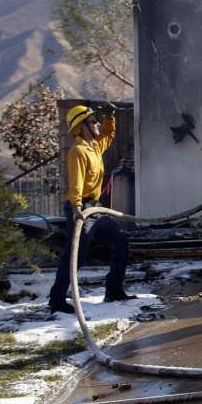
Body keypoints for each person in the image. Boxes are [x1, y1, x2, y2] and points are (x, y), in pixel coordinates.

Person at [48, 104, 132, 315]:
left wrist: (110, 117)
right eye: (93, 120)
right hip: (81, 208)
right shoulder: (78, 151)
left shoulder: (95, 147)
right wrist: (77, 207)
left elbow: (109, 134)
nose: (96, 123)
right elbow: (75, 183)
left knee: (120, 241)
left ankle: (113, 290)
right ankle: (56, 300)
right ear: (81, 127)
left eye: (96, 120)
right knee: (75, 255)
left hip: (95, 208)